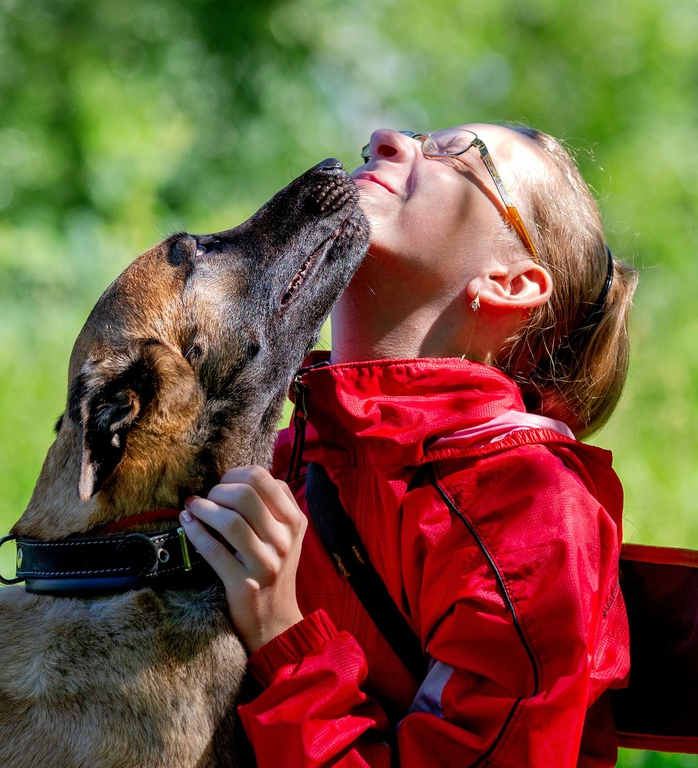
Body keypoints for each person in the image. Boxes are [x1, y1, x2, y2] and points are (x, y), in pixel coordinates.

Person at [178, 124, 638, 767]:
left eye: (458, 156)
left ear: (511, 283)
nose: (386, 138)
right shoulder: (286, 453)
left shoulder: (532, 510)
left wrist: (283, 638)